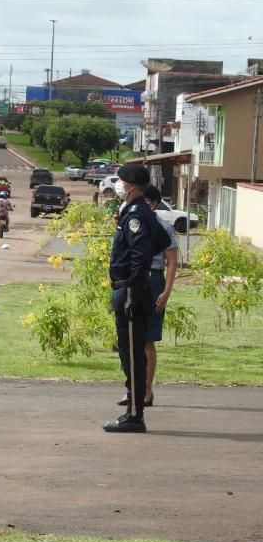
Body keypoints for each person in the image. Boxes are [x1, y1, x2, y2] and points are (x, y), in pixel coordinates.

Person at [103, 164, 157, 433]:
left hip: (130, 290)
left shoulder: (136, 213)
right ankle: (132, 410)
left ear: (132, 186)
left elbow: (140, 255)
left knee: (132, 353)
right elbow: (155, 241)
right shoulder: (135, 211)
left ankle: (135, 414)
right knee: (127, 352)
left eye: (122, 181)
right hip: (125, 288)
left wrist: (133, 292)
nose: (119, 186)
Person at [118, 184, 178, 409]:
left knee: (147, 339)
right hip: (133, 280)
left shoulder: (163, 227)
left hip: (153, 279)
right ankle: (133, 389)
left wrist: (166, 292)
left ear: (152, 203)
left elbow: (171, 263)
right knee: (131, 338)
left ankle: (147, 391)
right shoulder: (130, 222)